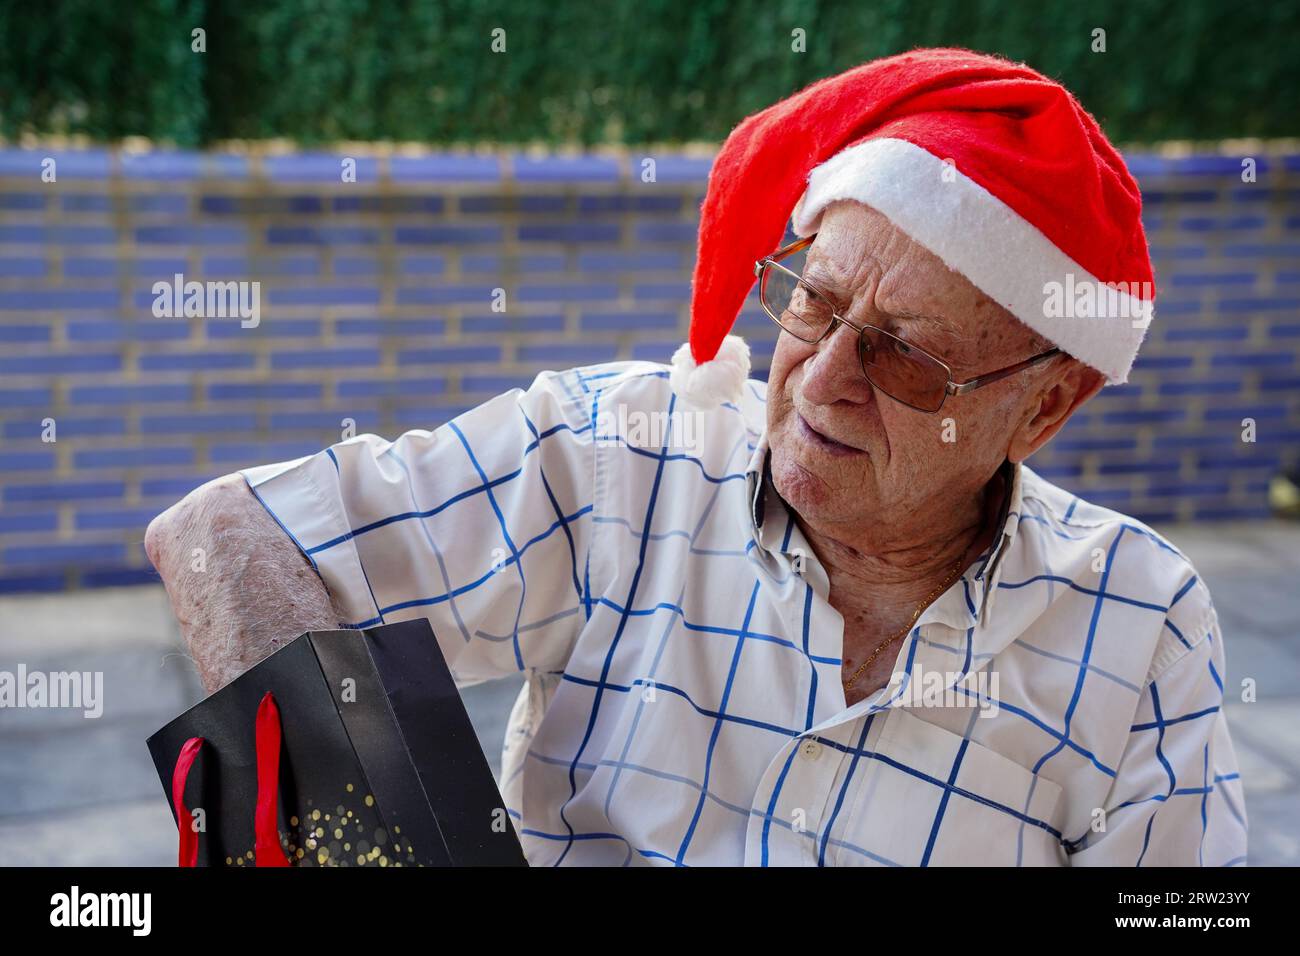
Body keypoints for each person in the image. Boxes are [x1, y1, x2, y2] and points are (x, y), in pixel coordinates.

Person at [146, 49, 1247, 866]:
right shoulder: (616, 461)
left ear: (1042, 406)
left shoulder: (1141, 625)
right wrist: (381, 846)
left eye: (907, 360)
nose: (817, 381)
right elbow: (222, 533)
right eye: (810, 301)